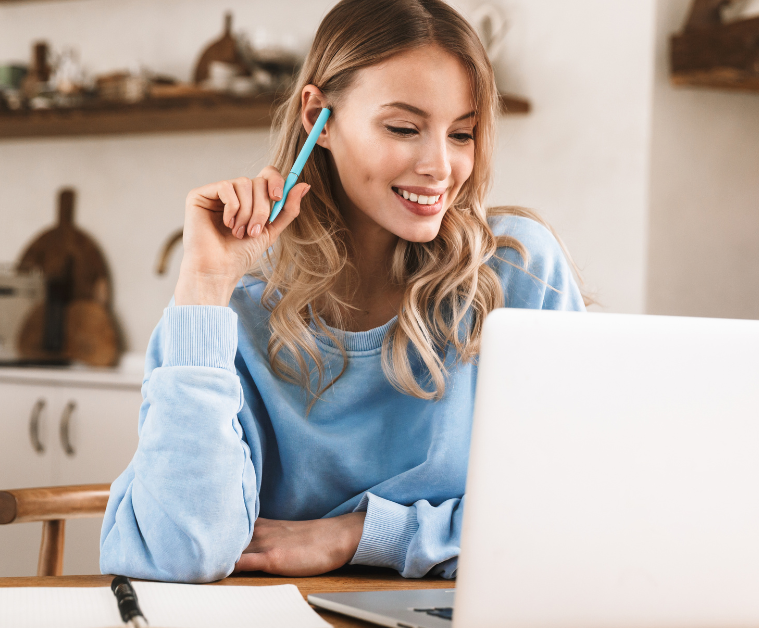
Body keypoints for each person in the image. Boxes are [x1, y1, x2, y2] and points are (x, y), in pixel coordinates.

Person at [99, 0, 586, 583]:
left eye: (463, 133)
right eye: (404, 128)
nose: (440, 165)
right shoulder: (234, 305)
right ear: (318, 118)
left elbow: (571, 516)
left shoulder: (517, 271)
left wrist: (358, 534)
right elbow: (180, 552)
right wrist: (203, 287)